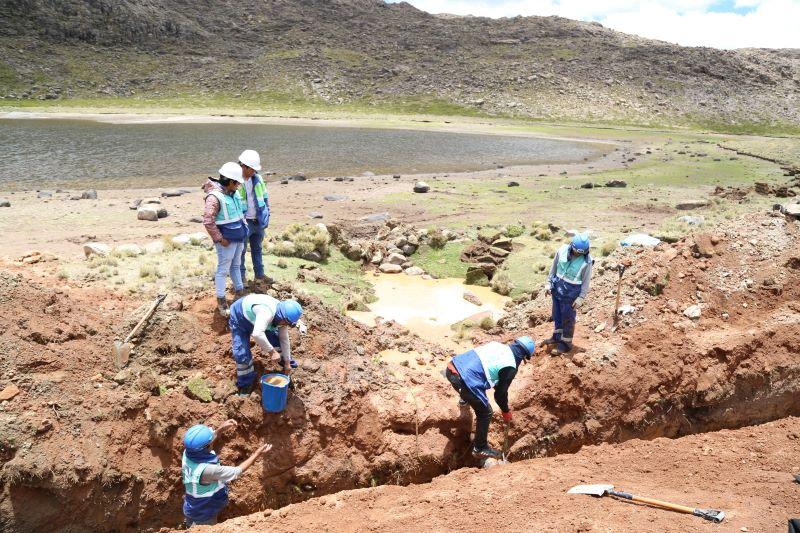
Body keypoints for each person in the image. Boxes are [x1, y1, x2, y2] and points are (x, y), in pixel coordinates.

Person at [444, 336, 536, 460]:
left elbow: (488, 373)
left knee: (475, 383)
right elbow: (499, 395)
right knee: (486, 412)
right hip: (463, 380)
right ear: (523, 356)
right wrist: (505, 411)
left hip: (451, 368)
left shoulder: (497, 345)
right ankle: (480, 448)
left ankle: (465, 399)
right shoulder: (510, 366)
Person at [181, 420, 271, 527]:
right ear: (205, 447)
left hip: (193, 507)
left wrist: (220, 429)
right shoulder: (208, 470)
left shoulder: (188, 454)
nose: (212, 441)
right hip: (204, 515)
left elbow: (205, 444)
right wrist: (257, 454)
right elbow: (237, 471)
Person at [228, 293, 304, 395]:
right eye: (285, 323)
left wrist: (287, 362)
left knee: (278, 343)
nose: (285, 325)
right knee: (241, 353)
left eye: (288, 324)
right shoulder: (267, 312)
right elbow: (257, 334)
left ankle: (285, 374)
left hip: (260, 320)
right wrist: (272, 352)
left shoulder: (283, 317)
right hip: (241, 317)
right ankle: (246, 384)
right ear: (282, 317)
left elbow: (284, 339)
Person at [203, 162, 249, 317]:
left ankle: (240, 292)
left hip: (238, 238)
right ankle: (221, 300)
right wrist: (220, 239)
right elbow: (208, 221)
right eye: (237, 183)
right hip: (227, 241)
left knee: (236, 266)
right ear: (230, 181)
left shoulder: (232, 194)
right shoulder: (214, 197)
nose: (238, 186)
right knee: (223, 270)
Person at [542, 233, 593, 355]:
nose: (578, 254)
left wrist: (581, 297)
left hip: (571, 294)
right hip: (557, 289)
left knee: (568, 319)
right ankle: (557, 337)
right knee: (557, 314)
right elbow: (553, 268)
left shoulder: (587, 261)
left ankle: (565, 344)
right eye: (576, 252)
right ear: (572, 246)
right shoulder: (562, 250)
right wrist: (548, 283)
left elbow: (586, 280)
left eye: (581, 253)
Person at [236, 149, 271, 286]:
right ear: (243, 166)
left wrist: (267, 215)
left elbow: (265, 198)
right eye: (252, 169)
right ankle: (242, 279)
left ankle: (259, 276)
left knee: (257, 249)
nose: (254, 171)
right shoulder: (235, 181)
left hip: (258, 221)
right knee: (241, 251)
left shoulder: (258, 178)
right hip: (244, 222)